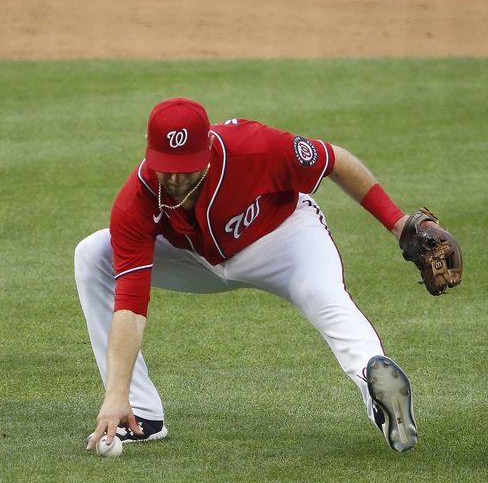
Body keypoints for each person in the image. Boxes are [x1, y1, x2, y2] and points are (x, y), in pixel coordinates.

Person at [77, 98, 461, 453]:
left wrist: (397, 224)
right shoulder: (137, 200)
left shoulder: (255, 146)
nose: (175, 181)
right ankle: (140, 414)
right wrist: (115, 393)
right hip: (197, 258)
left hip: (282, 237)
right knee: (93, 254)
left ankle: (376, 388)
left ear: (208, 149)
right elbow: (130, 307)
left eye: (186, 169)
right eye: (168, 169)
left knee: (323, 295)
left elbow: (334, 160)